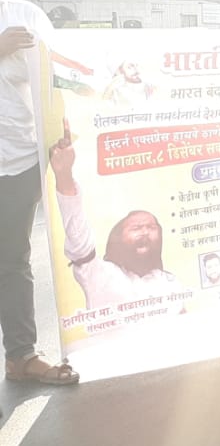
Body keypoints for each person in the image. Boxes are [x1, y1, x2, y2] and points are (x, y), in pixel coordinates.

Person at [1, 0, 80, 391]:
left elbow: (55, 77)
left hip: (15, 160)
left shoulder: (24, 15)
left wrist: (62, 129)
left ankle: (21, 356)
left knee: (12, 260)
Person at [49, 124, 185, 312]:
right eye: (136, 228)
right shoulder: (99, 274)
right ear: (118, 239)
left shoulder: (171, 282)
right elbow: (79, 242)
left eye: (151, 227)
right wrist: (64, 175)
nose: (145, 232)